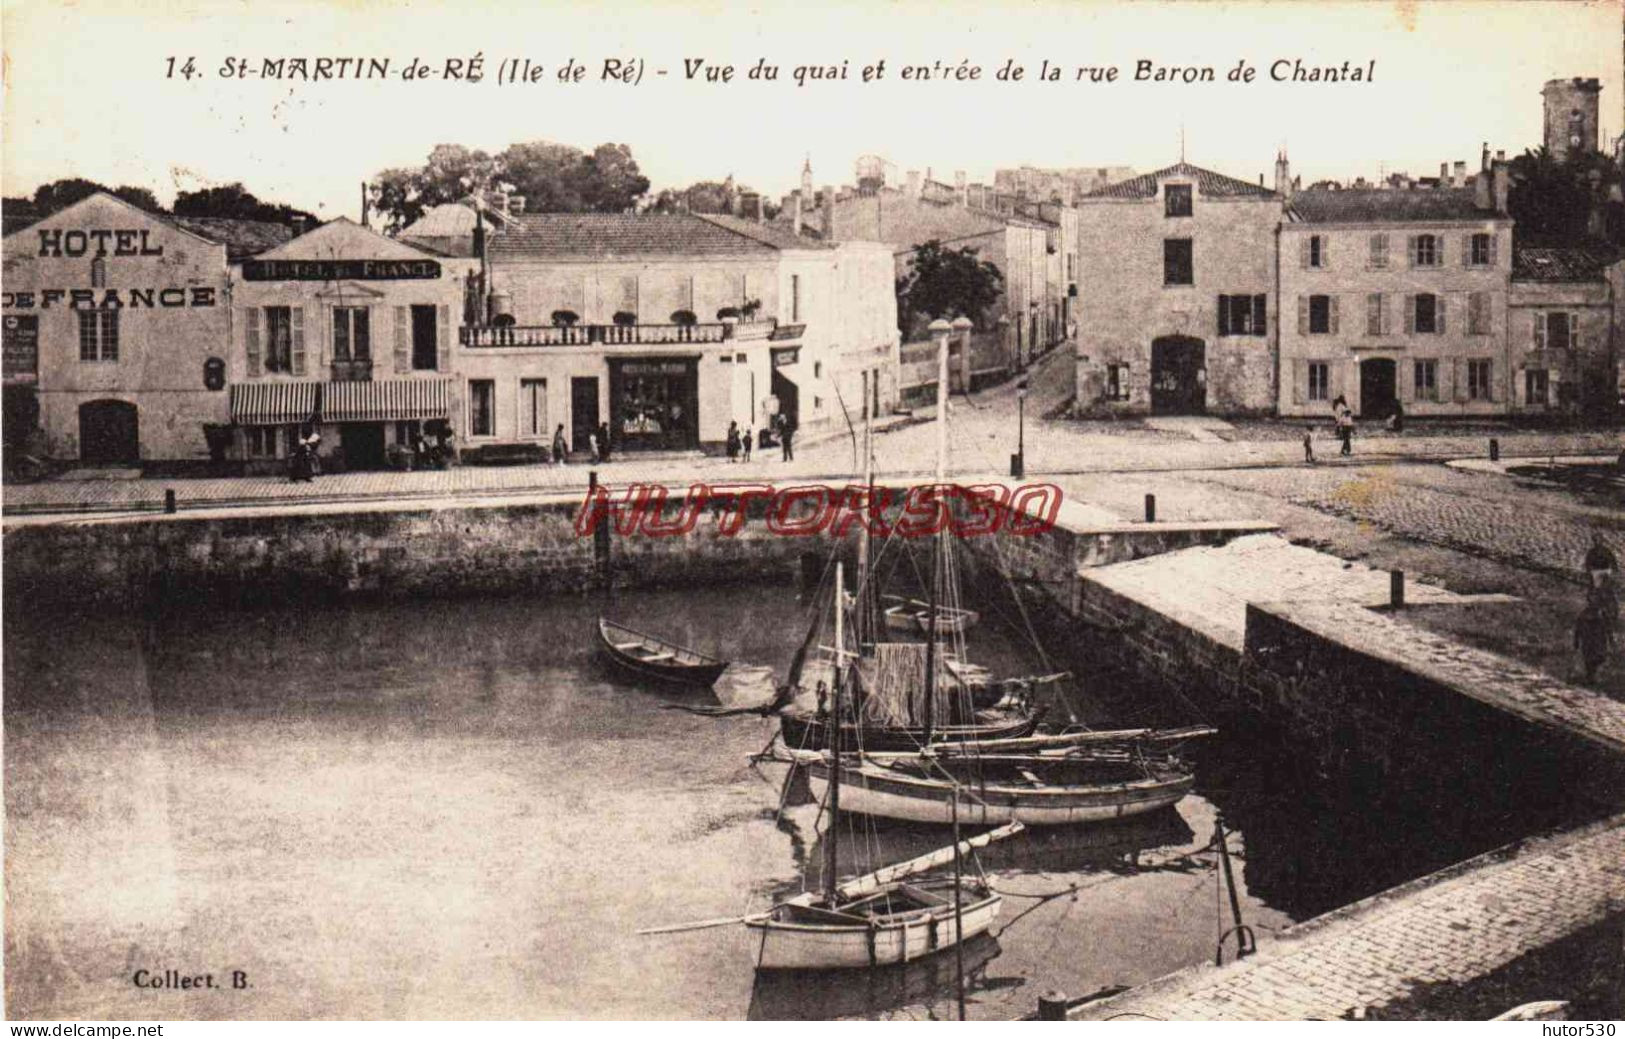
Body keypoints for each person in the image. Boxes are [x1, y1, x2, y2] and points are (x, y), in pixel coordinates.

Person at [1574, 600, 1614, 683]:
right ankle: (1591, 677)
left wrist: (1576, 640)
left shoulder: (1586, 615)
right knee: (1593, 659)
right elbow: (1578, 629)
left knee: (1594, 658)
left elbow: (1577, 629)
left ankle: (1591, 676)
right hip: (1592, 640)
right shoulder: (1585, 615)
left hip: (1593, 640)